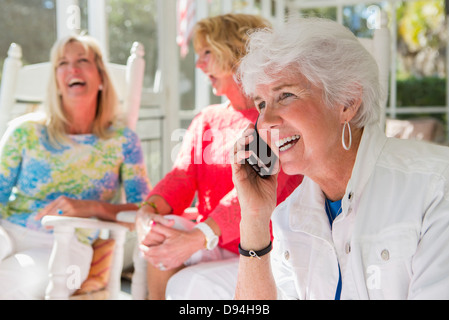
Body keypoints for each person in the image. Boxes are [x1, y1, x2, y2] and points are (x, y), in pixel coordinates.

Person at [232, 16, 449, 300]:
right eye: (261, 104)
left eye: (285, 95)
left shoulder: (436, 188)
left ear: (347, 102)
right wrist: (254, 220)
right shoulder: (289, 216)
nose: (266, 121)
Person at [136, 13, 303, 300]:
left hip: (265, 247)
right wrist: (148, 212)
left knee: (189, 283)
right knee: (161, 231)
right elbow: (180, 177)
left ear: (237, 53)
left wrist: (199, 236)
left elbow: (253, 191)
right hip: (213, 242)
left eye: (207, 53)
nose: (199, 64)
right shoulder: (207, 118)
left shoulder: (271, 117)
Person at [0, 34, 151, 299]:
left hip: (67, 245)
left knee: (9, 283)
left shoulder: (123, 141)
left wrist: (91, 208)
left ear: (101, 77)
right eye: (62, 63)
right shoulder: (24, 131)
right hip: (8, 230)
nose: (73, 69)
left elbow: (145, 211)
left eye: (83, 60)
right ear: (56, 80)